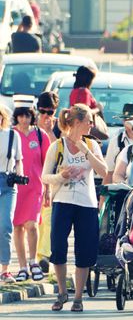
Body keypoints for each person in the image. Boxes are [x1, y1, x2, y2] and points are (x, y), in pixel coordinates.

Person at [41, 104, 107, 312]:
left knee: (84, 250)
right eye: (89, 121)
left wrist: (86, 149)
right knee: (58, 248)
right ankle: (62, 292)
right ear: (77, 122)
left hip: (86, 203)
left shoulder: (92, 144)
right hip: (63, 201)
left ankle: (78, 297)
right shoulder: (57, 146)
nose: (91, 125)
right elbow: (44, 176)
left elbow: (103, 171)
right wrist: (61, 176)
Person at [12, 98, 51, 282]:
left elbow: (48, 165)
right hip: (14, 187)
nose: (24, 119)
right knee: (17, 227)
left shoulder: (40, 135)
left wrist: (48, 190)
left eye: (27, 115)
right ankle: (21, 267)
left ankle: (33, 261)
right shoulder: (10, 135)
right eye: (20, 115)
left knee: (32, 225)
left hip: (36, 185)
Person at [35, 92, 60, 273]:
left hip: (51, 181)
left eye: (49, 112)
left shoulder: (58, 127)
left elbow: (57, 153)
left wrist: (50, 131)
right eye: (42, 111)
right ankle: (34, 256)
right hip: (32, 180)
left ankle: (43, 256)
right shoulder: (29, 125)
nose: (45, 116)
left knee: (48, 220)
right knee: (34, 221)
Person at [0, 105, 24, 284]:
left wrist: (20, 176)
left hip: (8, 182)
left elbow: (19, 160)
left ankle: (5, 269)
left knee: (5, 225)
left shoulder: (12, 135)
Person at [103, 103, 133, 185]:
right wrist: (103, 197)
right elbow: (109, 173)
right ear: (123, 121)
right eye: (129, 119)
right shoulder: (115, 141)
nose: (132, 122)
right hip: (122, 191)